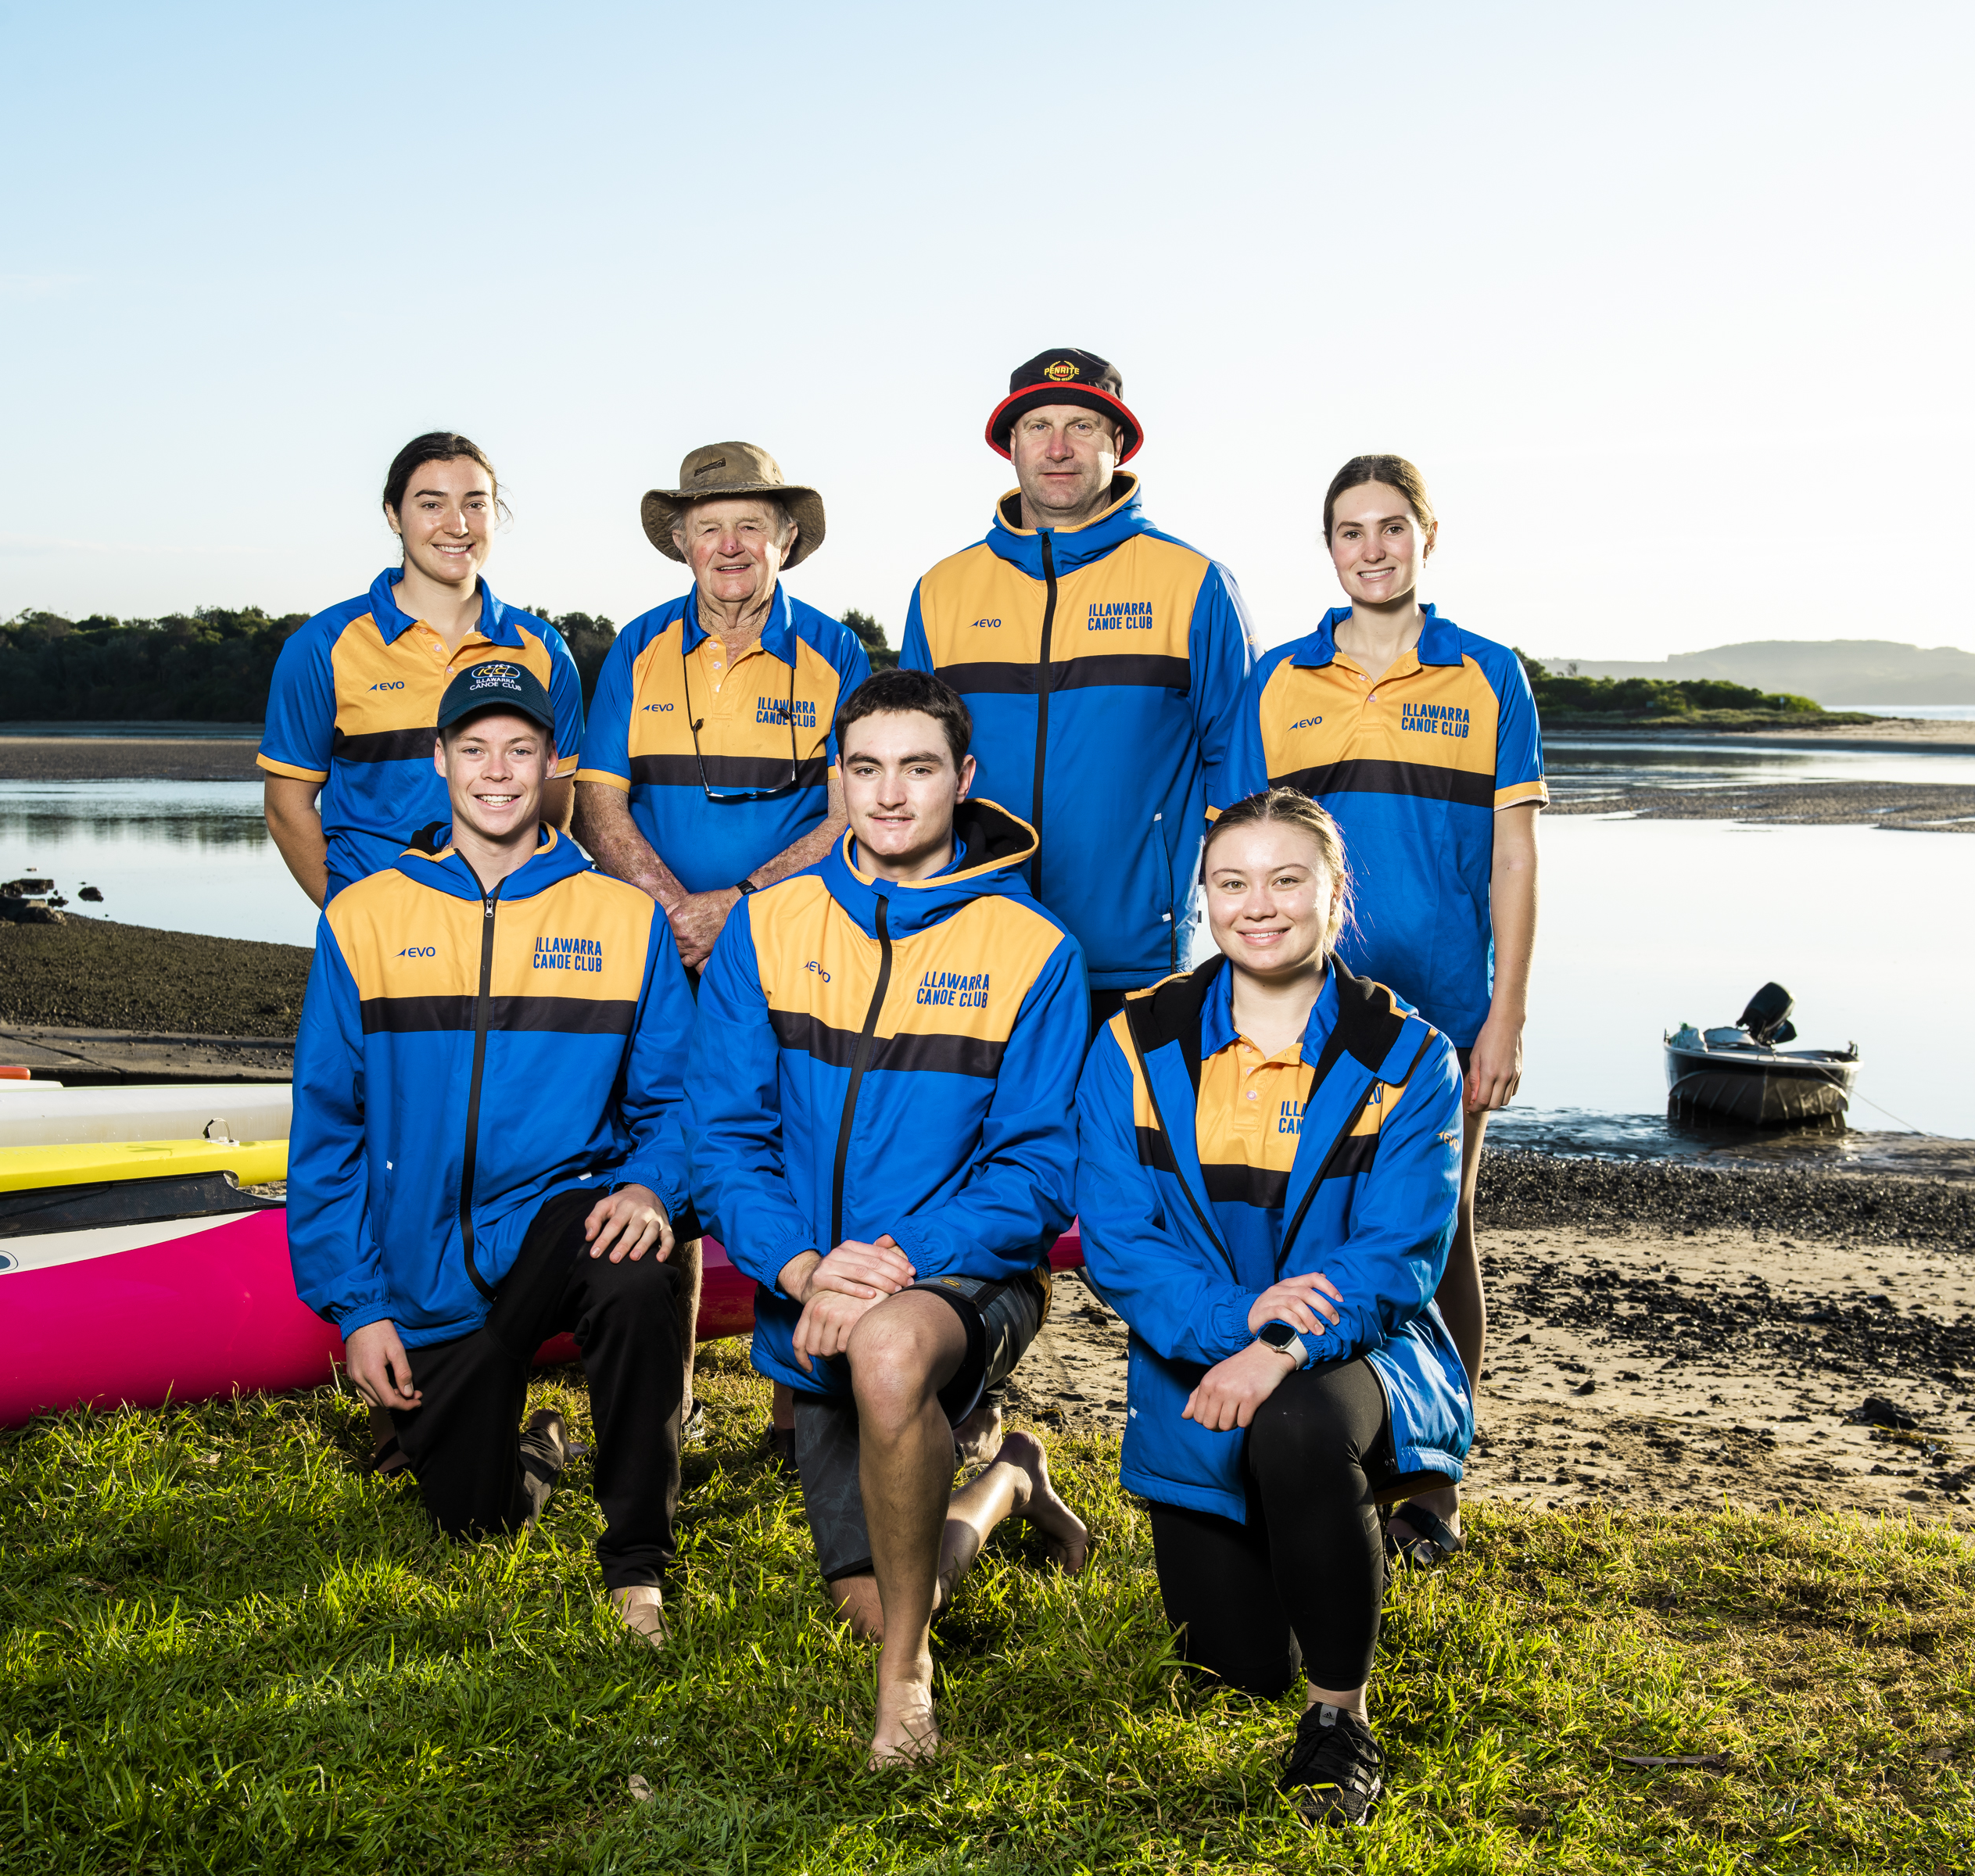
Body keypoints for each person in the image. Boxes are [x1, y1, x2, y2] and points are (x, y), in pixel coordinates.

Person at [686, 667, 1091, 1766]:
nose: (891, 795)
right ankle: (1007, 1481)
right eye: (865, 769)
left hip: (965, 1276)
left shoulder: (1036, 950)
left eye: (918, 769)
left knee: (892, 1346)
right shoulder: (766, 929)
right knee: (865, 1590)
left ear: (963, 779)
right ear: (838, 780)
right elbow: (723, 1137)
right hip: (812, 1290)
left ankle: (903, 1685)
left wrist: (896, 1261)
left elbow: (1039, 1172)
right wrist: (806, 1266)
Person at [1074, 788, 1471, 1827]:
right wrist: (1240, 1330)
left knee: (1296, 1426)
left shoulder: (1412, 1055)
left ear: (1337, 898)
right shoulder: (1134, 1042)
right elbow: (1119, 1246)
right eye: (1233, 882)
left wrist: (1285, 1346)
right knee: (1232, 1666)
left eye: (1289, 880)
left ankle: (1341, 1724)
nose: (1261, 906)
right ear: (1202, 895)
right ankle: (1338, 1544)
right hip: (1198, 1369)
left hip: (1353, 1358)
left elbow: (1397, 1259)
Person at [289, 659, 695, 1644]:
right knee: (473, 1522)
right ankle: (536, 1450)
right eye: (475, 749)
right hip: (430, 1268)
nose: (498, 771)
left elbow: (681, 1102)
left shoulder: (622, 918)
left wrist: (648, 1185)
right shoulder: (365, 918)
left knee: (637, 1267)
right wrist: (360, 1307)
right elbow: (328, 1127)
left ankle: (636, 1561)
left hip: (563, 1225)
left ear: (555, 764)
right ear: (439, 761)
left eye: (521, 749)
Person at [1215, 453, 1539, 1568]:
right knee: (1315, 1228)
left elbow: (1513, 856)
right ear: (1331, 548)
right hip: (1303, 1009)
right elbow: (1246, 855)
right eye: (1351, 531)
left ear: (1426, 537)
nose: (1372, 548)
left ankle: (1431, 1479)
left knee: (1439, 1234)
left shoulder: (1490, 676)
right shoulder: (1275, 680)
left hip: (1445, 1005)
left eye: (1391, 527)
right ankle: (1321, 1448)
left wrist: (1506, 1016)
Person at [575, 443, 872, 1463]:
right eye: (710, 528)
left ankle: (802, 1404)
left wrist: (737, 909)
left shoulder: (839, 653)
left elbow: (851, 816)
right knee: (674, 1139)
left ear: (786, 538)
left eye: (751, 525)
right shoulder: (636, 650)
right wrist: (675, 912)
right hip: (660, 951)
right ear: (682, 545)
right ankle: (679, 1391)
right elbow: (598, 804)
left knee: (796, 1152)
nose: (731, 546)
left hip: (790, 948)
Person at [902, 348, 1253, 1023]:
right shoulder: (942, 592)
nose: (1059, 448)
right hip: (971, 942)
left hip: (1133, 955)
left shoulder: (1195, 585)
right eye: (1038, 427)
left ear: (1118, 444)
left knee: (1122, 1132)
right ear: (1010, 446)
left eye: (1083, 426)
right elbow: (913, 767)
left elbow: (1240, 773)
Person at [260, 432, 586, 904]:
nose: (457, 525)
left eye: (476, 505)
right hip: (378, 926)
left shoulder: (545, 651)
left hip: (508, 924)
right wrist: (349, 917)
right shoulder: (321, 646)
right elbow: (286, 809)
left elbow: (553, 806)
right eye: (432, 505)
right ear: (393, 515)